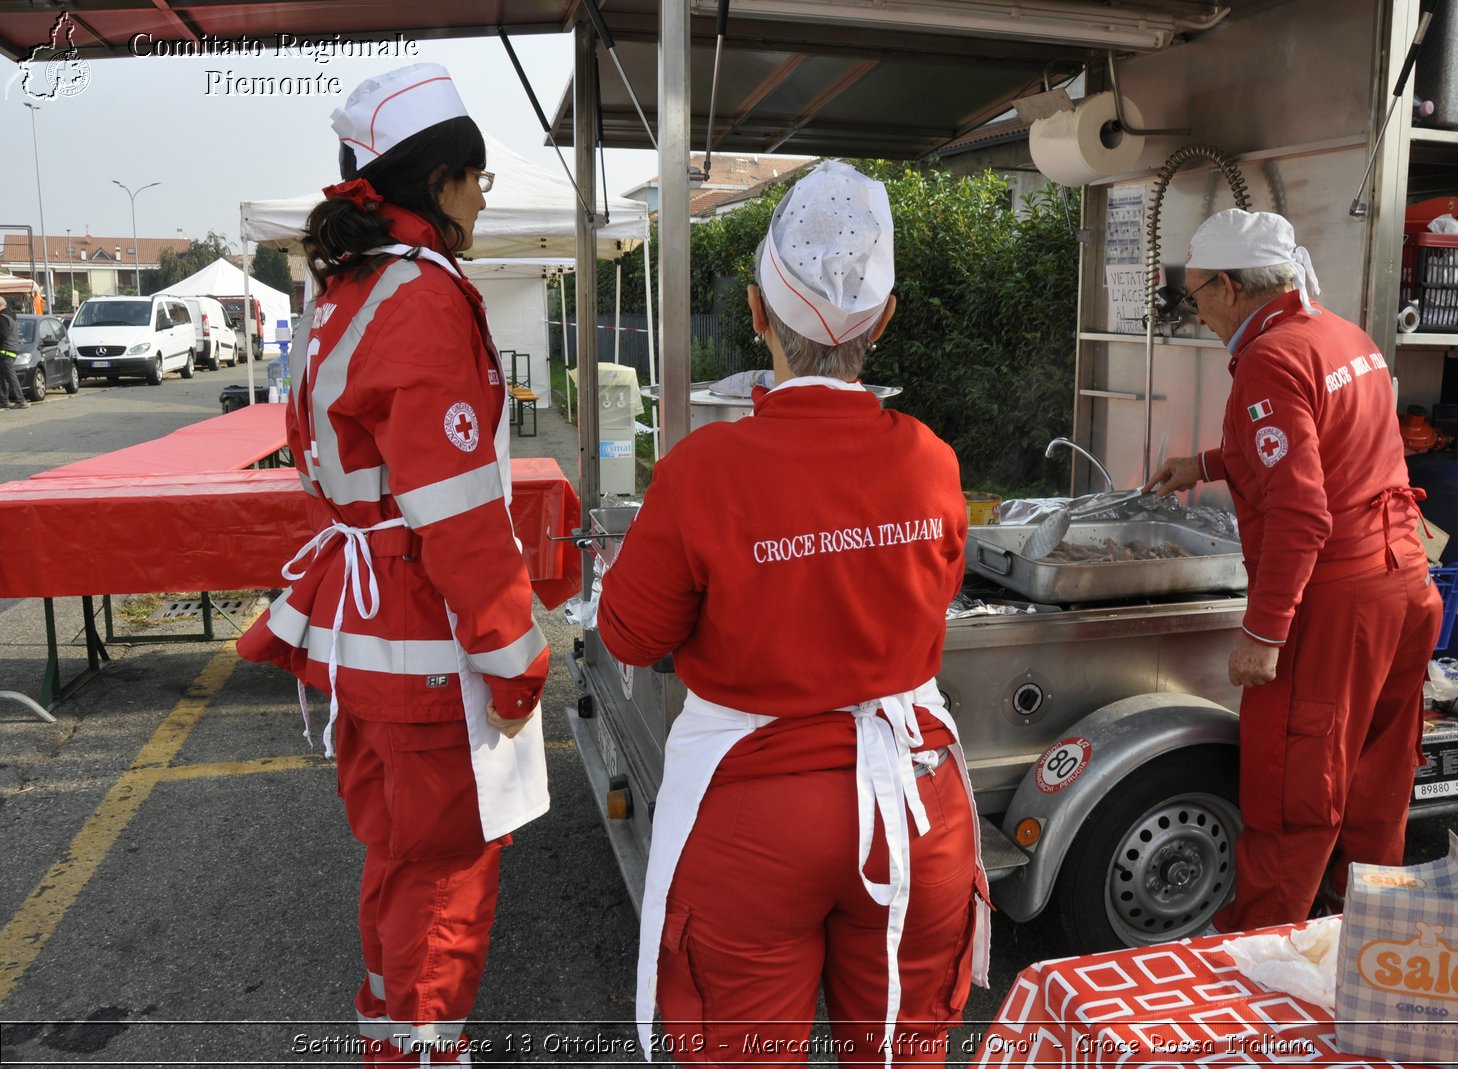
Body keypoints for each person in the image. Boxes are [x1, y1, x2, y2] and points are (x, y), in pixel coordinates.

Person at [597, 161, 989, 1067]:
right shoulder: (931, 459)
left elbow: (630, 634)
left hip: (753, 818)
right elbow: (931, 592)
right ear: (884, 320)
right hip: (913, 807)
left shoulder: (703, 471)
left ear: (756, 311)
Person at [236, 63, 552, 1066]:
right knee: (448, 876)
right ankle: (419, 1053)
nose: (484, 202)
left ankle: (388, 1039)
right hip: (421, 640)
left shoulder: (347, 289)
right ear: (444, 181)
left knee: (398, 859)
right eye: (481, 182)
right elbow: (457, 514)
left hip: (365, 640)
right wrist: (514, 654)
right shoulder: (419, 296)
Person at [1144, 209, 1441, 933]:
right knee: (1375, 782)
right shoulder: (1342, 336)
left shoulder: (1270, 360)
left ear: (1229, 286)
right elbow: (1327, 450)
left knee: (1294, 788)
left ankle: (1261, 962)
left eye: (1197, 295)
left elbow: (1304, 510)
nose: (1198, 311)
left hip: (1339, 603)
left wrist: (1264, 631)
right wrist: (1208, 463)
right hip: (1406, 583)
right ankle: (1371, 939)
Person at [0, 299, 30, 409]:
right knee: (3, 376)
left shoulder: (2, 318)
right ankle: (4, 400)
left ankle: (21, 400)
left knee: (10, 376)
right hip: (12, 349)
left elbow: (2, 335)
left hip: (5, 350)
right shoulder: (10, 316)